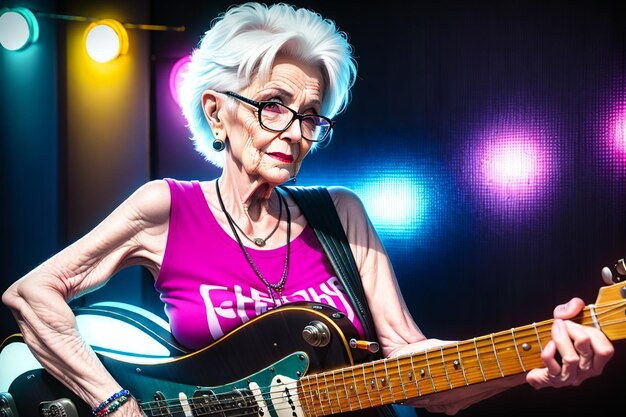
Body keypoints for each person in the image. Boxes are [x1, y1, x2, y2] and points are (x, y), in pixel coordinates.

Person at [1, 2, 614, 417]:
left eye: (311, 115)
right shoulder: (169, 207)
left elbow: (415, 368)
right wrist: (116, 406)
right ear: (217, 111)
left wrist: (539, 358)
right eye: (273, 104)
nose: (295, 132)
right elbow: (32, 295)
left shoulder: (340, 214)